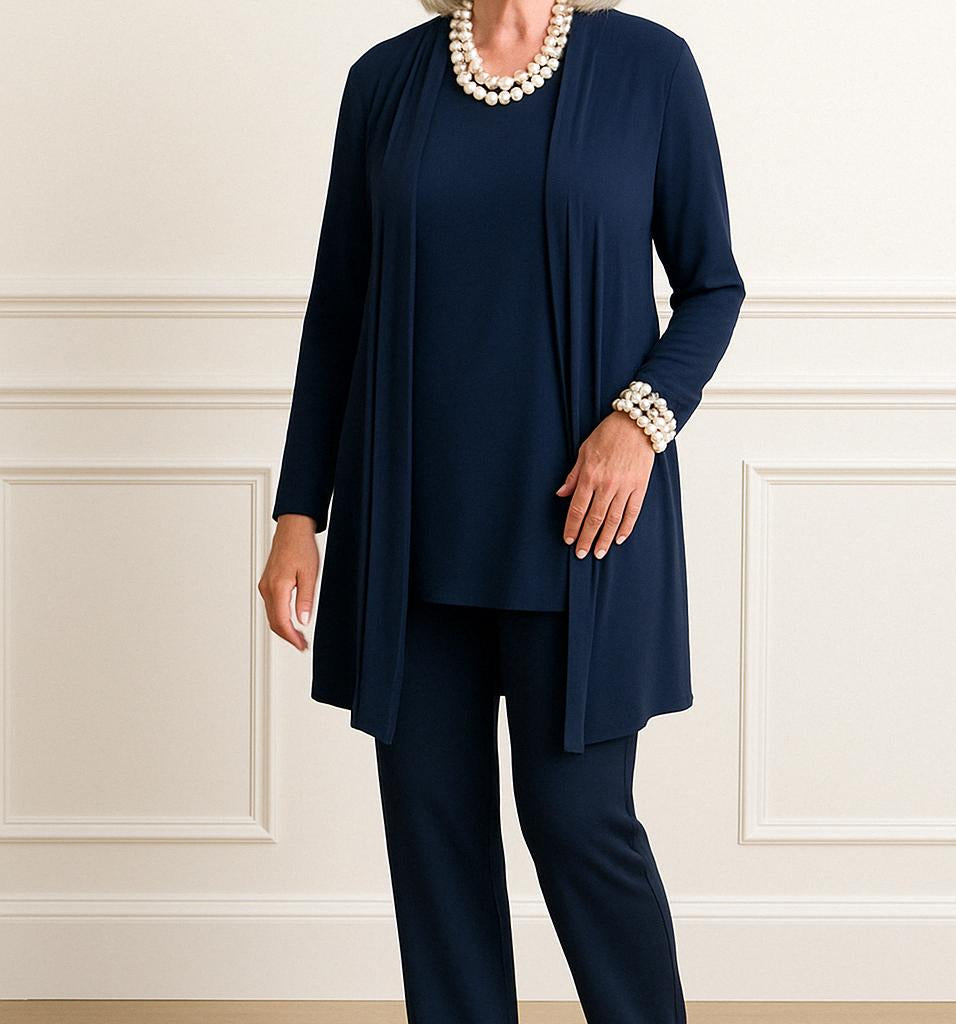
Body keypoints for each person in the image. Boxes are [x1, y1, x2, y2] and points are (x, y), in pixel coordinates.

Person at [258, 1, 745, 1020]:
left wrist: (640, 421)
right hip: (409, 531)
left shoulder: (648, 67)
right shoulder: (384, 82)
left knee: (578, 822)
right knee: (433, 843)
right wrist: (300, 509)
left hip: (580, 529)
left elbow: (712, 286)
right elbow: (338, 310)